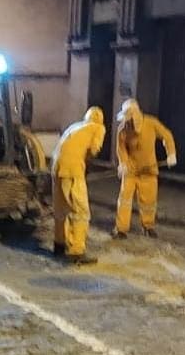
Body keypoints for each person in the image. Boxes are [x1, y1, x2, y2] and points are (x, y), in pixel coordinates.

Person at [113, 98, 176, 239]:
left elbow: (167, 135)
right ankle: (121, 229)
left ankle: (148, 226)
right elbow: (121, 148)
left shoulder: (151, 123)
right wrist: (122, 163)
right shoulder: (123, 129)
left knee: (148, 201)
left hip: (149, 170)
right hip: (131, 170)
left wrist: (171, 153)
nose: (127, 122)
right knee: (124, 200)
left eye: (129, 118)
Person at [51, 107, 107, 264]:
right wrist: (86, 163)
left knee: (61, 208)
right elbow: (94, 150)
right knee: (81, 210)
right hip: (72, 170)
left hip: (56, 167)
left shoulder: (75, 126)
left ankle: (59, 244)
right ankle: (77, 251)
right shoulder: (98, 128)